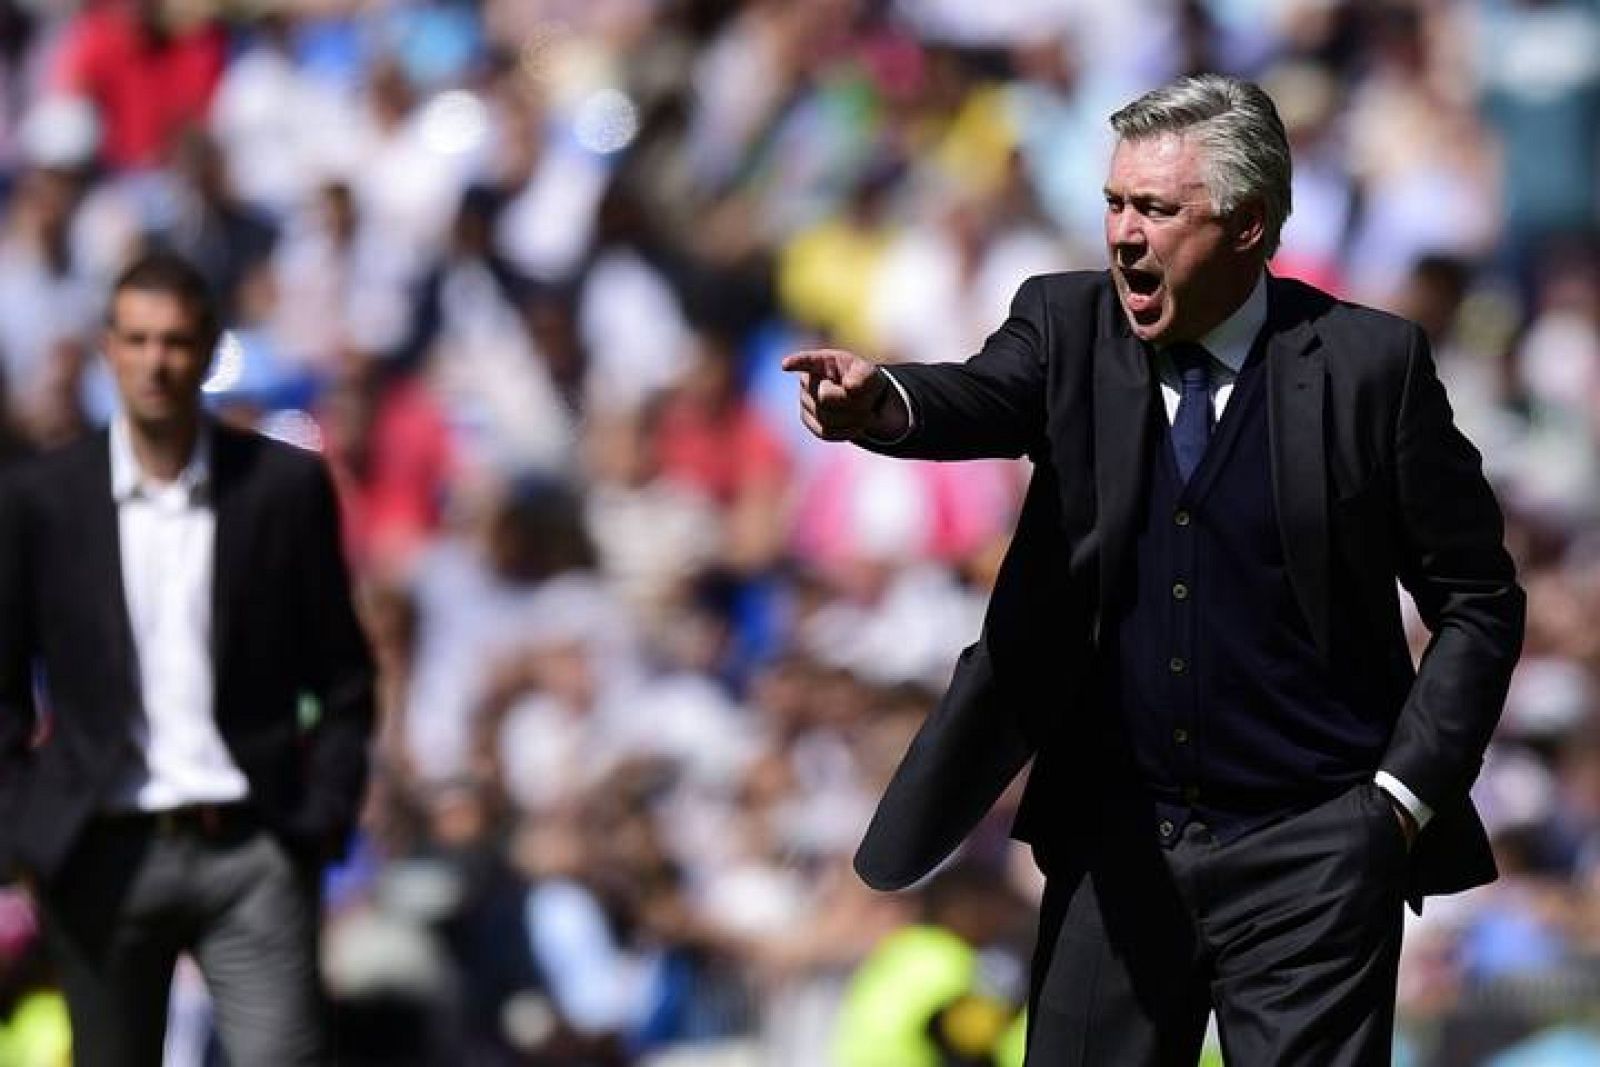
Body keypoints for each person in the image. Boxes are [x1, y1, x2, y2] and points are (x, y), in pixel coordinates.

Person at [783, 74, 1525, 1064]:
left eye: (1157, 209)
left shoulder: (1365, 367)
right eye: (1115, 204)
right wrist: (882, 405)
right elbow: (978, 395)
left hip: (1313, 849)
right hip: (1114, 845)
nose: (1124, 234)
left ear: (1248, 225)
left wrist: (1395, 802)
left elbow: (1477, 598)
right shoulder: (1064, 325)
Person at [0, 249, 375, 1065]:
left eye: (173, 342)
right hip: (102, 846)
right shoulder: (45, 499)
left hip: (250, 840)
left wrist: (319, 818)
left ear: (207, 349)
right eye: (135, 341)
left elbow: (343, 674)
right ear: (108, 348)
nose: (154, 363)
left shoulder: (279, 489)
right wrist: (25, 827)